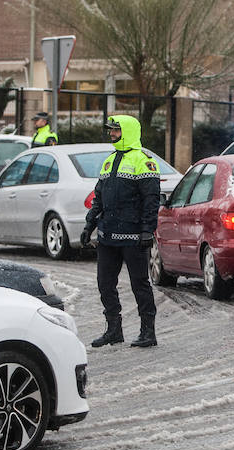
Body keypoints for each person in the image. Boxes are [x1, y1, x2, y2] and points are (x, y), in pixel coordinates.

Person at [81, 115, 161, 348]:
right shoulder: (108, 161)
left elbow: (151, 200)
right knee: (105, 283)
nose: (112, 134)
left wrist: (148, 230)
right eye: (111, 131)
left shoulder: (143, 160)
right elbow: (99, 198)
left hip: (133, 237)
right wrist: (89, 225)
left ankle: (148, 332)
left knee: (140, 284)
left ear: (127, 131)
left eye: (116, 130)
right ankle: (114, 330)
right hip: (107, 236)